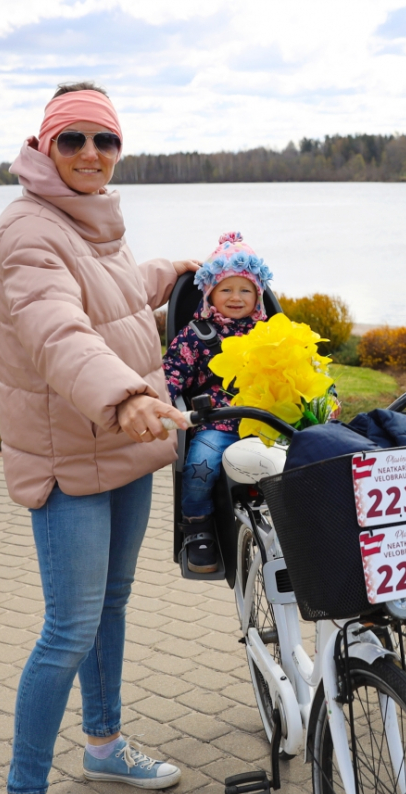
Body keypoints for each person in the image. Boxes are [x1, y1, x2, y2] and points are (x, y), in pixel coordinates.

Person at [0, 81, 200, 794]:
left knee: (111, 602)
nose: (89, 155)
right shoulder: (26, 228)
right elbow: (57, 328)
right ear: (44, 147)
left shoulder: (91, 222)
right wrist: (126, 396)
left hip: (120, 447)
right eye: (72, 140)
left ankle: (104, 743)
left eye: (104, 141)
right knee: (69, 628)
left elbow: (108, 297)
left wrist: (172, 272)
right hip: (72, 454)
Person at [162, 231, 272, 574]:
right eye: (226, 289)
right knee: (201, 464)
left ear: (259, 294)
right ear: (210, 293)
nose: (236, 297)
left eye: (245, 290)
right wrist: (162, 402)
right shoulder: (196, 335)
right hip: (217, 422)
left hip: (266, 421)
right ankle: (197, 527)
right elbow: (170, 375)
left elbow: (301, 368)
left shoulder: (271, 334)